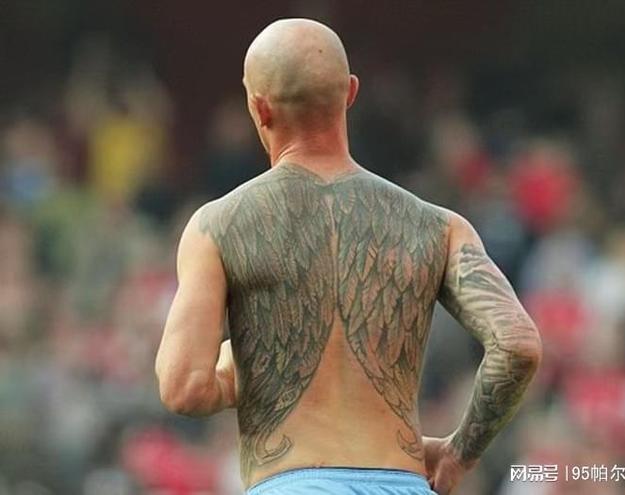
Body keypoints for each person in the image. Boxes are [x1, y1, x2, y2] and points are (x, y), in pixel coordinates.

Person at [155, 18, 542, 495]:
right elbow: (518, 345)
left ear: (259, 107)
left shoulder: (217, 225)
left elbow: (184, 388)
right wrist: (460, 453)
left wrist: (241, 368)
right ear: (351, 93)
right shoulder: (438, 226)